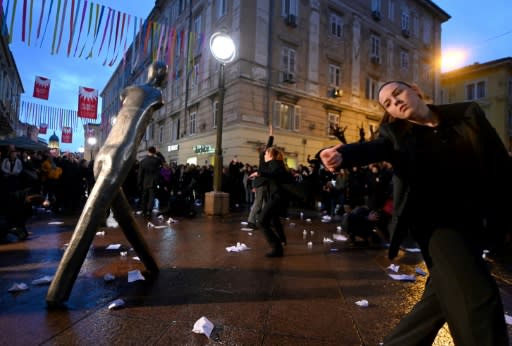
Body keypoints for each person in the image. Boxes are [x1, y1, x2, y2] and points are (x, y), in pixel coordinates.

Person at [318, 80, 510, 345]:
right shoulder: (394, 135)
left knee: (442, 294)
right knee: (477, 294)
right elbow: (373, 148)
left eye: (397, 93)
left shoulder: (467, 114)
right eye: (388, 103)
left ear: (416, 91)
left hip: (475, 221)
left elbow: (500, 164)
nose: (395, 102)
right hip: (436, 225)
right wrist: (341, 156)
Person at [249, 145, 290, 257]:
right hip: (276, 196)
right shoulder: (274, 164)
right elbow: (273, 176)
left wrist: (259, 174)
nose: (264, 155)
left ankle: (277, 248)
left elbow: (275, 174)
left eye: (266, 153)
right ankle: (281, 241)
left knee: (262, 221)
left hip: (277, 196)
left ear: (270, 156)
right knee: (274, 219)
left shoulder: (275, 163)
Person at [246, 125, 274, 229]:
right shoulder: (263, 156)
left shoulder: (265, 160)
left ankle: (262, 220)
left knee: (264, 203)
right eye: (266, 150)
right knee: (258, 203)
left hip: (262, 183)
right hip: (261, 183)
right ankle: (251, 221)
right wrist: (271, 133)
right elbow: (269, 144)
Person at [138, 146, 163, 218]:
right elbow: (163, 161)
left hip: (145, 182)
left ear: (148, 151)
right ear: (154, 152)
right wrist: (159, 153)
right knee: (151, 197)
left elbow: (140, 174)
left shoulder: (143, 161)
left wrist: (139, 183)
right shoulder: (157, 160)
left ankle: (144, 211)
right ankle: (149, 211)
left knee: (144, 197)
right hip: (154, 182)